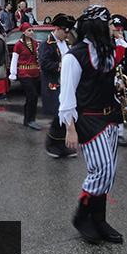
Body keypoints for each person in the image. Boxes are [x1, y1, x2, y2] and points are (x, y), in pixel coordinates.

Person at [60, 5, 123, 245]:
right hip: (88, 120)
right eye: (109, 24)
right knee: (101, 170)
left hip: (110, 117)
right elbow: (66, 98)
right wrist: (70, 128)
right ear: (97, 26)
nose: (113, 28)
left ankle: (99, 219)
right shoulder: (74, 56)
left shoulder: (105, 51)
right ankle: (82, 216)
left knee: (109, 172)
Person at [40, 13, 77, 158]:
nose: (67, 35)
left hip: (65, 84)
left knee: (64, 116)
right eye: (65, 32)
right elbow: (45, 64)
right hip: (53, 84)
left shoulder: (64, 43)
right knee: (58, 116)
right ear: (58, 29)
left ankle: (61, 145)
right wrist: (63, 66)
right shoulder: (47, 44)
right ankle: (51, 143)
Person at [10, 22, 41, 130]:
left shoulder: (35, 43)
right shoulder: (18, 45)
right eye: (29, 30)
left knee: (30, 97)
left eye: (32, 30)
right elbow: (14, 60)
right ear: (23, 32)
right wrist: (13, 74)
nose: (31, 32)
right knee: (33, 95)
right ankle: (31, 119)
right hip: (24, 73)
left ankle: (28, 119)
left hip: (35, 73)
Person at [110, 14, 127, 147]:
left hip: (123, 78)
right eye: (117, 30)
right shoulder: (113, 44)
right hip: (114, 79)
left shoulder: (123, 43)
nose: (120, 33)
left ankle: (120, 132)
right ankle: (118, 134)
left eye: (121, 30)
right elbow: (115, 61)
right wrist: (121, 47)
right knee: (117, 106)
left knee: (123, 104)